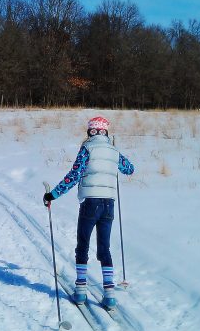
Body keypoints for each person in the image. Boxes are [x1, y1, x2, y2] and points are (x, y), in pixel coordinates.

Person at [43, 116, 134, 309]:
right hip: (109, 204)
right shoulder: (114, 151)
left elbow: (74, 175)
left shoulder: (87, 149)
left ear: (90, 132)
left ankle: (81, 291)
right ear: (106, 132)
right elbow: (129, 169)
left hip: (90, 204)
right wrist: (114, 154)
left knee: (82, 245)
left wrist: (53, 195)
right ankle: (109, 295)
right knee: (104, 248)